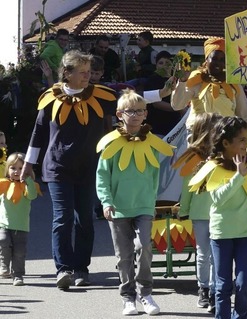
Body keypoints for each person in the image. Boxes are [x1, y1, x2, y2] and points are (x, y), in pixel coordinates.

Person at [21, 50, 118, 290]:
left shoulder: (100, 95)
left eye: (89, 71)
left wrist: (165, 91)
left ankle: (81, 268)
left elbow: (131, 101)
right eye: (82, 72)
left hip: (88, 168)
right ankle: (63, 269)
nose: (87, 75)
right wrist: (28, 164)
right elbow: (38, 132)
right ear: (67, 73)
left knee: (84, 219)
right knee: (62, 218)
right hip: (57, 167)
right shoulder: (50, 98)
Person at [96, 89, 173, 315]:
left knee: (145, 247)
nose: (136, 115)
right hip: (118, 208)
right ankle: (127, 296)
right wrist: (106, 201)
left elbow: (154, 175)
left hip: (143, 206)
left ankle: (146, 293)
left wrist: (152, 201)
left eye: (140, 111)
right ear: (120, 114)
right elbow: (102, 175)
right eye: (131, 111)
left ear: (146, 114)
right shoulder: (110, 143)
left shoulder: (152, 142)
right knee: (124, 255)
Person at [189, 116, 247, 319]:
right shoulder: (213, 168)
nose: (246, 144)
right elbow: (218, 199)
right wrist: (238, 177)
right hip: (222, 234)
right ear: (226, 143)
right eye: (241, 140)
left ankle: (240, 316)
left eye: (246, 139)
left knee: (243, 283)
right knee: (223, 284)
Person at [173, 112, 221, 313]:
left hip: (221, 213)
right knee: (204, 253)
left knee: (217, 254)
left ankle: (215, 290)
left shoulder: (224, 155)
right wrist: (183, 210)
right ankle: (204, 288)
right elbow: (188, 187)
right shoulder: (193, 158)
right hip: (201, 213)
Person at [172, 37, 247, 130]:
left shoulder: (233, 83)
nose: (218, 63)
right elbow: (177, 105)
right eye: (214, 58)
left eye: (222, 60)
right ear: (206, 60)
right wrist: (182, 82)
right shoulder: (196, 79)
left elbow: (245, 114)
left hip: (225, 136)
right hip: (199, 135)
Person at [0, 152, 40, 286]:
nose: (17, 171)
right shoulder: (3, 184)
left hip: (21, 227)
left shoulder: (28, 186)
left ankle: (17, 275)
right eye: (13, 168)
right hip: (4, 225)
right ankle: (4, 266)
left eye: (21, 168)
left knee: (19, 253)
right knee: (3, 243)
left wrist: (28, 180)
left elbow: (33, 196)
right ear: (7, 169)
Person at [144, 50, 183, 137]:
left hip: (174, 125)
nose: (164, 65)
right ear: (156, 66)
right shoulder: (152, 80)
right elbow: (156, 103)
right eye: (161, 63)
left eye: (167, 63)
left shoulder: (177, 80)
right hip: (157, 125)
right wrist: (178, 108)